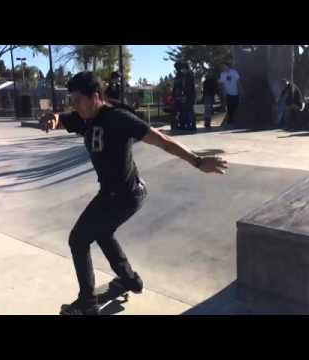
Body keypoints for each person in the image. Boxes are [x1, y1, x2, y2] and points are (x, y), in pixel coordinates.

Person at [48, 72, 228, 315]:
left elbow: (162, 140)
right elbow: (63, 119)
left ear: (96, 97)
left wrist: (197, 161)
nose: (75, 106)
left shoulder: (118, 118)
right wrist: (54, 118)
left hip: (125, 195)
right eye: (72, 101)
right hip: (114, 194)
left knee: (78, 239)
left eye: (78, 100)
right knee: (102, 232)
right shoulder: (84, 117)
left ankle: (87, 304)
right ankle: (130, 280)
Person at [172, 62, 196, 131]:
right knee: (183, 110)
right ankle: (185, 124)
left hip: (188, 95)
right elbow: (177, 85)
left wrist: (183, 93)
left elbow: (188, 86)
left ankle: (191, 125)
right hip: (183, 95)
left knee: (189, 110)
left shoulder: (188, 75)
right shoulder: (181, 75)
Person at [218, 62, 242, 127]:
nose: (223, 68)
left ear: (227, 66)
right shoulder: (222, 74)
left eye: (224, 66)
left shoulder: (234, 72)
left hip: (235, 92)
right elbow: (222, 85)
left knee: (235, 107)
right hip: (228, 94)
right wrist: (223, 93)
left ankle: (236, 121)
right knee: (229, 108)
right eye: (222, 67)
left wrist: (240, 91)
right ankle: (230, 122)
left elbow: (238, 82)